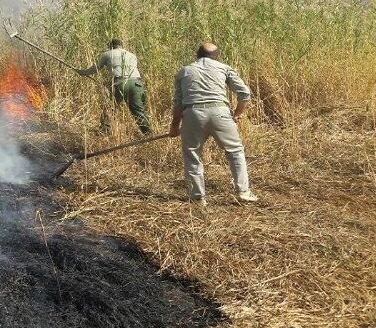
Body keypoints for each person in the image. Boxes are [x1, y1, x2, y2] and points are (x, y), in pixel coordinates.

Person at [169, 43, 258, 205]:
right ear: (217, 56)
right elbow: (244, 93)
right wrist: (238, 114)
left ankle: (197, 198)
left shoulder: (184, 71)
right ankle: (243, 191)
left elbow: (178, 104)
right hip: (220, 113)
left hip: (193, 114)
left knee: (192, 154)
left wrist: (174, 126)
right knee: (235, 151)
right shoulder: (223, 68)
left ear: (196, 55)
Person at [79, 38, 151, 134]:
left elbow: (96, 68)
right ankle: (148, 134)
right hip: (136, 84)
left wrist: (83, 72)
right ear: (121, 46)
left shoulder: (107, 54)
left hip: (119, 83)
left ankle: (104, 131)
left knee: (109, 108)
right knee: (138, 111)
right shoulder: (132, 55)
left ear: (110, 46)